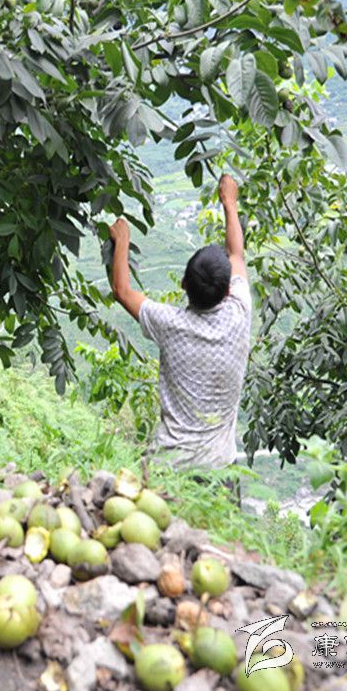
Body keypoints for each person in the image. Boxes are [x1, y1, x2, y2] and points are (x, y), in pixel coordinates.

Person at [108, 173, 252, 502]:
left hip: (167, 469)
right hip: (220, 471)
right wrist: (229, 203)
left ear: (184, 285)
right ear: (227, 291)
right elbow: (237, 255)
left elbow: (122, 290)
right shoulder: (239, 313)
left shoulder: (170, 324)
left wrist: (122, 239)